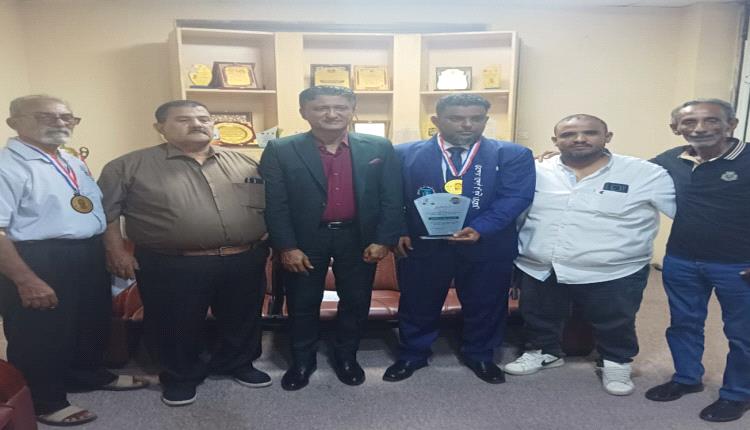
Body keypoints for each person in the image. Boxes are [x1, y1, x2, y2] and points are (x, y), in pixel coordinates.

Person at [98, 100, 270, 407]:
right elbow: (107, 214)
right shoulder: (127, 166)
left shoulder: (244, 161)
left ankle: (239, 363)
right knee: (174, 322)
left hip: (243, 257)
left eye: (203, 118)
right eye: (184, 119)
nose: (197, 124)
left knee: (242, 317)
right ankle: (180, 376)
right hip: (172, 261)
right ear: (160, 127)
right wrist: (116, 252)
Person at [0, 95, 146, 427]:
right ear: (14, 123)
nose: (60, 123)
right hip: (35, 257)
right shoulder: (7, 165)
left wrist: (110, 249)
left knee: (88, 322)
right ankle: (44, 399)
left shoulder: (70, 160)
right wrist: (25, 279)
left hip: (85, 252)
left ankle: (87, 374)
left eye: (67, 117)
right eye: (46, 116)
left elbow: (91, 210)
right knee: (40, 332)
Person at [505, 114, 676, 396]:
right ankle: (543, 352)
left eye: (590, 133)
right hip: (541, 264)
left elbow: (685, 214)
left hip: (613, 268)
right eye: (568, 134)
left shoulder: (645, 173)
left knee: (615, 320)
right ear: (555, 141)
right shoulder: (536, 170)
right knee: (538, 314)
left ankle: (616, 362)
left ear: (607, 137)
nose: (580, 139)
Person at [383, 94, 535, 384]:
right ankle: (413, 353)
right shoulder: (403, 153)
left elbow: (515, 197)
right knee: (417, 301)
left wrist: (481, 228)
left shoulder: (512, 154)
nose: (467, 124)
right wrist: (399, 229)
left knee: (487, 302)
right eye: (456, 118)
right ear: (436, 120)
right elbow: (392, 197)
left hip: (487, 243)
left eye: (476, 118)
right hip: (422, 243)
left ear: (485, 120)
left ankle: (481, 354)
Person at [260, 86, 403, 391]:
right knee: (302, 302)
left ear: (352, 110)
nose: (331, 114)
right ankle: (302, 360)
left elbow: (392, 196)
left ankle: (346, 357)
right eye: (321, 108)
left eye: (340, 107)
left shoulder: (379, 147)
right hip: (305, 239)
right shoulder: (281, 149)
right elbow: (275, 203)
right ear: (304, 112)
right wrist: (287, 246)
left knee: (356, 301)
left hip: (359, 237)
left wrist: (384, 239)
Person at [645, 99, 750, 423]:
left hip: (739, 265)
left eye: (711, 120)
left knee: (743, 334)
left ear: (731, 124)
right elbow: (624, 171)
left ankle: (738, 394)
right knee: (684, 324)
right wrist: (553, 160)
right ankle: (687, 378)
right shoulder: (670, 159)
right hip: (682, 260)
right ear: (676, 128)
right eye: (689, 122)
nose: (700, 128)